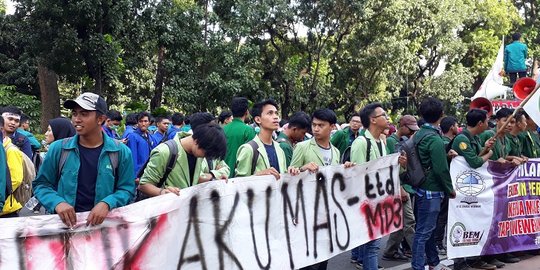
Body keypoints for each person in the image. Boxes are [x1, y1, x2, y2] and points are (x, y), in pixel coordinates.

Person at [33, 92, 135, 227]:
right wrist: (57, 203)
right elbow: (42, 184)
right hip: (65, 228)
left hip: (102, 228)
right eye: (74, 113)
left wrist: (107, 203)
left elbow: (127, 189)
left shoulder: (120, 152)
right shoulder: (59, 149)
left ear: (100, 119)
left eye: (84, 114)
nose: (77, 119)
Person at [290, 108, 353, 270]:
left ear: (332, 127)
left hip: (327, 212)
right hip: (306, 211)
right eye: (314, 125)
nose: (316, 129)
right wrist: (302, 168)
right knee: (307, 259)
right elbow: (289, 176)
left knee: (324, 256)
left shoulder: (336, 151)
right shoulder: (303, 147)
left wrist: (345, 168)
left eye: (321, 125)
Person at [349, 103, 406, 270]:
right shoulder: (361, 143)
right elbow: (357, 175)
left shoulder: (381, 143)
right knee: (371, 247)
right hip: (366, 203)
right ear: (373, 120)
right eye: (384, 115)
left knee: (372, 246)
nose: (388, 118)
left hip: (379, 202)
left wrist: (400, 164)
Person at [410, 98, 456, 270]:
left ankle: (434, 263)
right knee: (423, 233)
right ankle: (418, 266)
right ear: (441, 116)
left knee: (426, 231)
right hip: (432, 190)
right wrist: (449, 189)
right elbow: (441, 169)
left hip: (421, 186)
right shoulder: (435, 139)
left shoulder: (419, 134)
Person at [452, 109, 496, 270]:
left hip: (472, 188)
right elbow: (474, 162)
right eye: (486, 121)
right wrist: (489, 153)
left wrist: (484, 147)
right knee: (461, 223)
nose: (487, 124)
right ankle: (459, 261)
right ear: (480, 123)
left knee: (474, 223)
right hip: (462, 190)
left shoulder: (475, 138)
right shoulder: (462, 139)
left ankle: (473, 258)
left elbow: (476, 155)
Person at [139, 123, 227, 196]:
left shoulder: (198, 155)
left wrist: (215, 179)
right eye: (206, 153)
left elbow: (193, 180)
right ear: (197, 141)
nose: (205, 157)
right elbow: (143, 185)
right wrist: (161, 192)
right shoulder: (165, 152)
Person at [381, 115, 418, 262]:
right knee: (409, 221)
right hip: (398, 186)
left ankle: (390, 250)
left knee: (401, 221)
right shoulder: (391, 141)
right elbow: (389, 168)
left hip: (407, 185)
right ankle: (417, 252)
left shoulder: (406, 141)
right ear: (401, 126)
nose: (411, 132)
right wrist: (400, 188)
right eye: (409, 129)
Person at [235, 99, 298, 178]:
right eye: (270, 113)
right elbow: (239, 183)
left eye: (276, 113)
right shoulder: (248, 149)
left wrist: (292, 171)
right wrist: (258, 175)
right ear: (258, 119)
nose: (275, 117)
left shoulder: (280, 149)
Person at [224, 97, 256, 178]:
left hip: (223, 177)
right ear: (247, 112)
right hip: (240, 177)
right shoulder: (248, 130)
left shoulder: (222, 129)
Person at [0, 116, 24, 217]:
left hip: (7, 209)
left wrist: (3, 194)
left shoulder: (11, 150)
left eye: (16, 121)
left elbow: (16, 179)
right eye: (10, 119)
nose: (13, 123)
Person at [126, 112, 156, 176]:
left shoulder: (151, 137)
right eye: (141, 121)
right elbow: (133, 157)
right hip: (139, 173)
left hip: (149, 171)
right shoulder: (133, 136)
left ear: (149, 123)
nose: (143, 124)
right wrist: (135, 175)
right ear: (137, 123)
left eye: (145, 121)